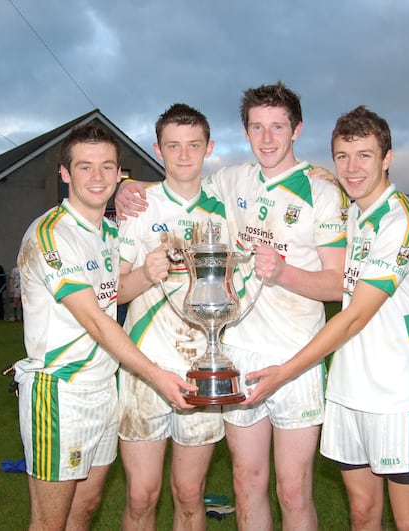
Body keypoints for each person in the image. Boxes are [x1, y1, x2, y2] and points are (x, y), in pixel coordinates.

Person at [117, 82, 348, 530]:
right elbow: (179, 182)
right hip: (235, 352)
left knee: (295, 489)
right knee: (244, 481)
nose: (267, 138)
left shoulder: (321, 192)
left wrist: (284, 272)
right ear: (245, 133)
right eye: (257, 127)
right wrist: (125, 188)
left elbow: (339, 286)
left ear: (296, 129)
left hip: (297, 355)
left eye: (277, 127)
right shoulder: (231, 181)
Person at [244, 106, 409, 530]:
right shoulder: (354, 213)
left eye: (365, 155)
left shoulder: (399, 220)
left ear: (387, 158)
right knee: (362, 512)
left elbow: (353, 318)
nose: (352, 167)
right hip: (349, 389)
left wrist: (285, 372)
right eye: (343, 156)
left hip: (396, 393)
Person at [12, 123, 195, 530]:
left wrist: (147, 273)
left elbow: (112, 294)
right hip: (60, 393)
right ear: (65, 173)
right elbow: (95, 319)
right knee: (50, 523)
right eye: (84, 167)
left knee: (87, 510)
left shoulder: (109, 233)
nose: (97, 178)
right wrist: (155, 375)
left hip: (102, 391)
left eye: (106, 167)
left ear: (118, 174)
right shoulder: (51, 234)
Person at [117, 103, 228, 531]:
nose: (184, 155)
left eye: (193, 145)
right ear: (158, 149)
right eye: (173, 146)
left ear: (209, 148)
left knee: (189, 496)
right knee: (141, 496)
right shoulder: (137, 208)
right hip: (145, 367)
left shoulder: (224, 212)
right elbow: (117, 293)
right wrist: (146, 273)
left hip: (202, 367)